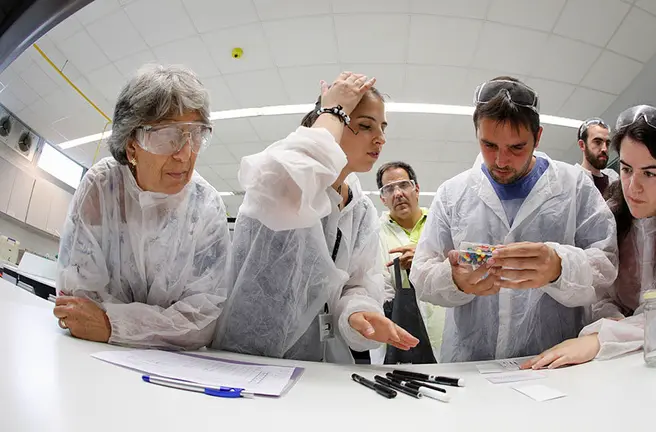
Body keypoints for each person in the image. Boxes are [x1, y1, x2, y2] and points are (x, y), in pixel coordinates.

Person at [212, 72, 418, 363]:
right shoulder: (287, 183)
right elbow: (289, 175)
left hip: (320, 362)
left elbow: (357, 282)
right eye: (365, 126)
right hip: (250, 356)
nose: (380, 138)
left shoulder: (360, 210)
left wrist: (358, 312)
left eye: (382, 127)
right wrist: (332, 110)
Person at [411, 76, 618, 362]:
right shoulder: (452, 194)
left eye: (517, 147)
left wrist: (560, 267)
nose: (501, 160)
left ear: (538, 136)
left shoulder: (574, 186)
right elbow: (421, 274)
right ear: (477, 134)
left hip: (555, 362)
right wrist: (455, 280)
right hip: (472, 363)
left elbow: (606, 266)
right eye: (489, 145)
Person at [522, 105, 656, 370]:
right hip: (621, 358)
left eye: (649, 173)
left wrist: (603, 338)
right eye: (626, 169)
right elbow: (601, 294)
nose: (633, 187)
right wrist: (612, 322)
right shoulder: (611, 213)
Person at [52, 64, 230, 349]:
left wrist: (112, 324)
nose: (185, 155)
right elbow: (79, 306)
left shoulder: (206, 206)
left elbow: (204, 320)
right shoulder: (102, 187)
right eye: (168, 136)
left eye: (195, 135)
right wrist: (161, 324)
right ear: (132, 145)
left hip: (173, 372)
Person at [372, 161, 445, 364]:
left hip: (444, 331)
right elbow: (376, 287)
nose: (398, 193)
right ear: (383, 199)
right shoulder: (374, 233)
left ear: (416, 189)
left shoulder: (440, 224)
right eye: (389, 189)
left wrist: (422, 259)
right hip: (399, 335)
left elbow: (460, 270)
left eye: (403, 185)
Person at [575, 117, 619, 195]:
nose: (604, 149)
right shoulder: (573, 180)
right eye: (598, 142)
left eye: (607, 144)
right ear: (582, 145)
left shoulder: (614, 180)